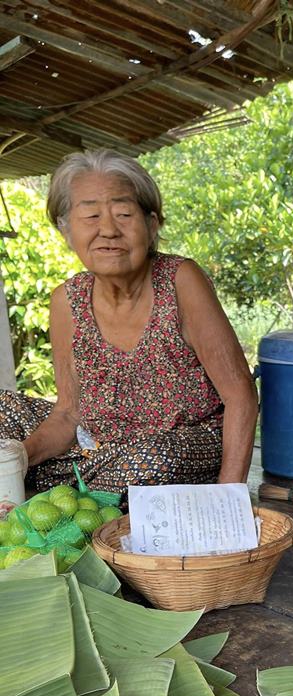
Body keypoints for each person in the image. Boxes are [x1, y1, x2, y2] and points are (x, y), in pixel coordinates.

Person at [0, 149, 257, 496]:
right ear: (66, 231)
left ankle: (69, 484)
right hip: (98, 446)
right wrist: (20, 457)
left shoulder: (181, 281)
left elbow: (240, 394)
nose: (108, 229)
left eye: (123, 214)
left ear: (152, 225)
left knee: (153, 463)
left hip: (180, 450)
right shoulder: (66, 301)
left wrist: (228, 497)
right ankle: (73, 481)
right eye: (90, 215)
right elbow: (67, 413)